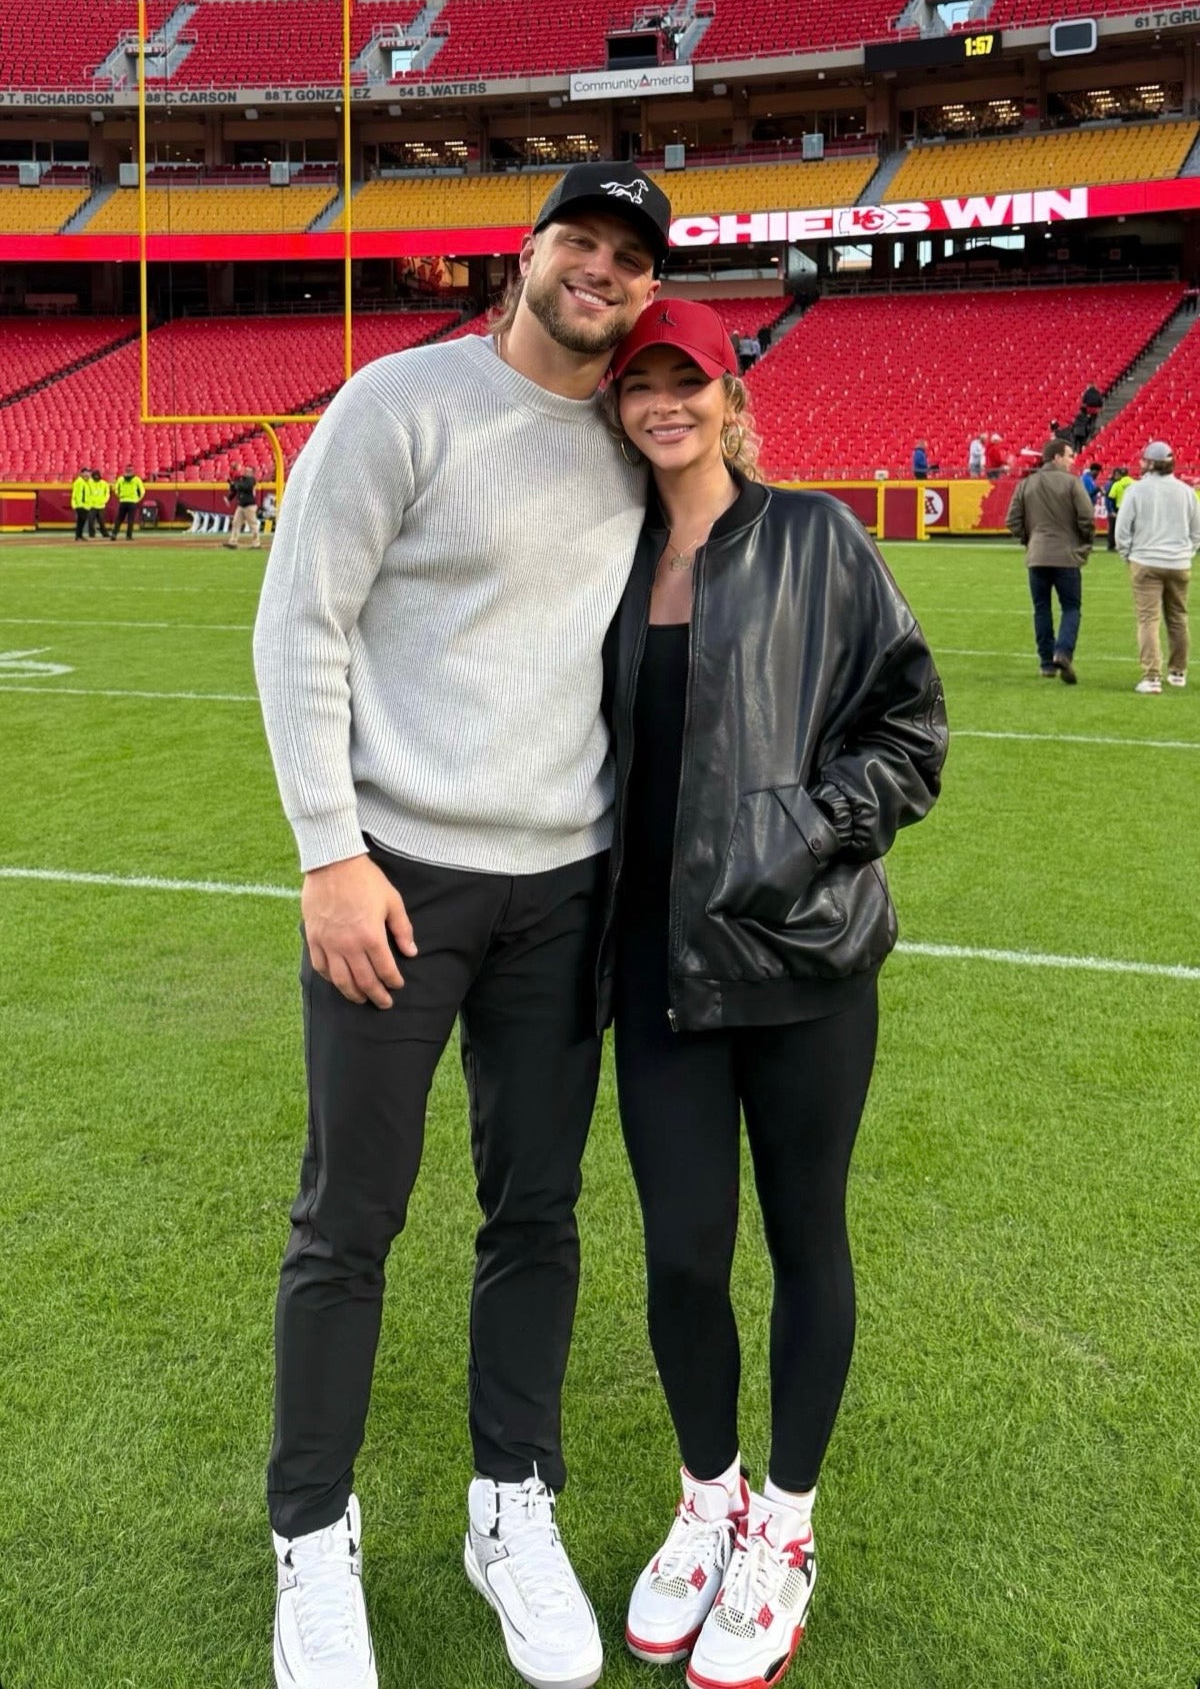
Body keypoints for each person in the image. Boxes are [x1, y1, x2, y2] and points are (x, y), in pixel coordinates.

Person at [252, 161, 671, 1689]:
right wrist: (328, 851)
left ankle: (513, 1502)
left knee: (538, 1210)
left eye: (631, 256)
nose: (601, 270)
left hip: (567, 887)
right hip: (398, 881)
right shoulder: (397, 401)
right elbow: (302, 615)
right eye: (583, 239)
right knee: (348, 1217)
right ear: (529, 247)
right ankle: (310, 1531)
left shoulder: (636, 437)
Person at [597, 299, 946, 1689]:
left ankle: (783, 1526)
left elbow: (910, 726)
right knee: (683, 1248)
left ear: (731, 393)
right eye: (643, 382)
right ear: (619, 405)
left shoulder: (817, 536)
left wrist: (796, 831)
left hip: (803, 959)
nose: (667, 402)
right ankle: (708, 1497)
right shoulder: (603, 556)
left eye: (690, 378)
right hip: (654, 964)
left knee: (808, 1238)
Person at [1114, 439, 1200, 693]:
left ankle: (1152, 676)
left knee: (1148, 619)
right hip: (1179, 562)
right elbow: (1197, 531)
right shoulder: (1185, 491)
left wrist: (1127, 555)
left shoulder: (1136, 491)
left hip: (1145, 560)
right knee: (1178, 618)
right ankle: (1178, 672)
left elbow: (1122, 530)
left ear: (1150, 463)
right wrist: (1187, 553)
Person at [1007, 438, 1095, 682]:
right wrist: (1084, 542)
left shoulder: (1026, 484)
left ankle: (1046, 663)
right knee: (1071, 608)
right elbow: (1087, 517)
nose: (1071, 460)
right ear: (1056, 457)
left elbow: (1012, 520)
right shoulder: (1071, 483)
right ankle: (1063, 652)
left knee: (1041, 609)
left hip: (1037, 556)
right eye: (1068, 455)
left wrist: (1030, 539)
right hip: (1066, 556)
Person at [224, 470, 262, 549]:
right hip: (241, 505)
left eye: (247, 471)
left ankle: (256, 543)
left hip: (249, 505)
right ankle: (233, 542)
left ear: (251, 473)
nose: (245, 472)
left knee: (253, 525)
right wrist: (231, 484)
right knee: (235, 523)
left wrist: (234, 483)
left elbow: (244, 487)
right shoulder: (241, 480)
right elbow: (235, 489)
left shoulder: (251, 480)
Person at [111, 464, 145, 541]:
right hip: (132, 502)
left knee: (119, 519)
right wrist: (137, 499)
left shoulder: (120, 479)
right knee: (130, 520)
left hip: (123, 501)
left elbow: (116, 490)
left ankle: (114, 534)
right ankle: (128, 536)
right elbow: (142, 491)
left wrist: (120, 497)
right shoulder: (136, 479)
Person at [1104, 463, 1132, 552]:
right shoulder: (1134, 482)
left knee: (1114, 528)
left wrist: (1110, 510)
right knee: (1127, 528)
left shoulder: (1115, 484)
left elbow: (1109, 497)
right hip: (1129, 508)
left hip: (1118, 508)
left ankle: (1113, 546)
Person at [86, 469, 111, 538]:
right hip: (91, 506)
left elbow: (107, 494)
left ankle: (104, 533)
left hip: (101, 506)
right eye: (95, 476)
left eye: (97, 476)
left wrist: (104, 501)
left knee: (102, 521)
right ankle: (92, 534)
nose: (96, 477)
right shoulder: (89, 483)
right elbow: (86, 493)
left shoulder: (104, 484)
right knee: (91, 521)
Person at [70, 466, 91, 541]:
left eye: (88, 472)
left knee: (81, 521)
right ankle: (78, 535)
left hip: (86, 505)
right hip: (81, 505)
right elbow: (78, 494)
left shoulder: (86, 482)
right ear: (82, 473)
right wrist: (79, 504)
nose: (87, 474)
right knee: (81, 521)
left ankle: (79, 535)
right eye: (86, 472)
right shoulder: (79, 482)